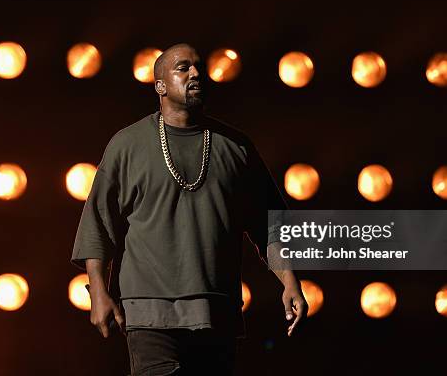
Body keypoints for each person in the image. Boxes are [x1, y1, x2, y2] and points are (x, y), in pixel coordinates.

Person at [71, 43, 307, 375]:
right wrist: (97, 290)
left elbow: (269, 225)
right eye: (183, 68)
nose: (196, 73)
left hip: (217, 311)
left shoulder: (236, 147)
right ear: (160, 85)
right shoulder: (127, 145)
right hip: (149, 313)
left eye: (198, 67)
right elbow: (98, 225)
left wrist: (290, 281)